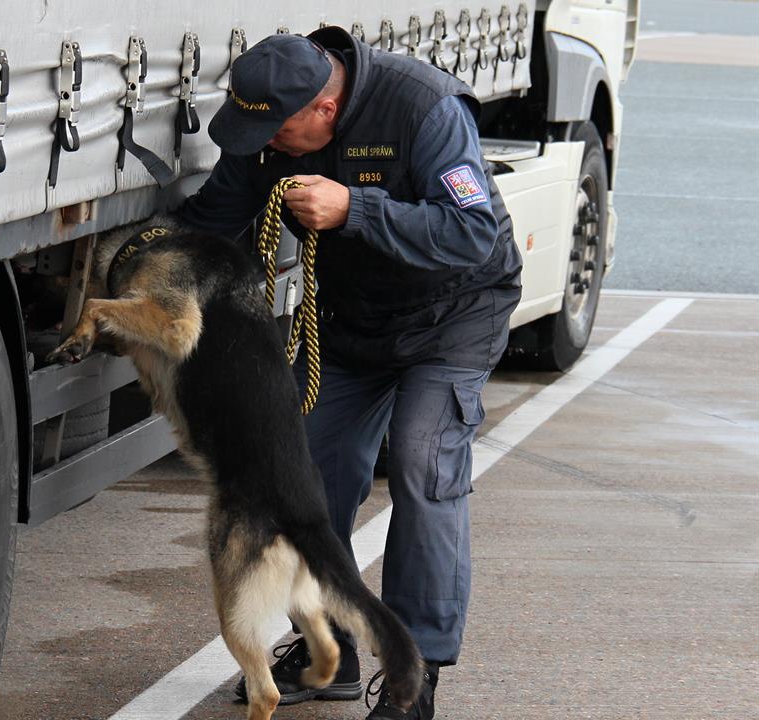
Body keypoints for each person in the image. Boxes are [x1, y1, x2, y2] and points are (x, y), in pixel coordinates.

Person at [176, 26, 523, 720]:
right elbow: (211, 220)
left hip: (453, 315)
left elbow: (472, 231)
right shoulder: (273, 128)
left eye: (277, 134)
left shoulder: (423, 108)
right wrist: (141, 259)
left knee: (423, 465)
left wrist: (353, 208)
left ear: (325, 111)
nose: (266, 147)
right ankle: (327, 646)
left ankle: (413, 675)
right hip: (354, 320)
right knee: (301, 471)